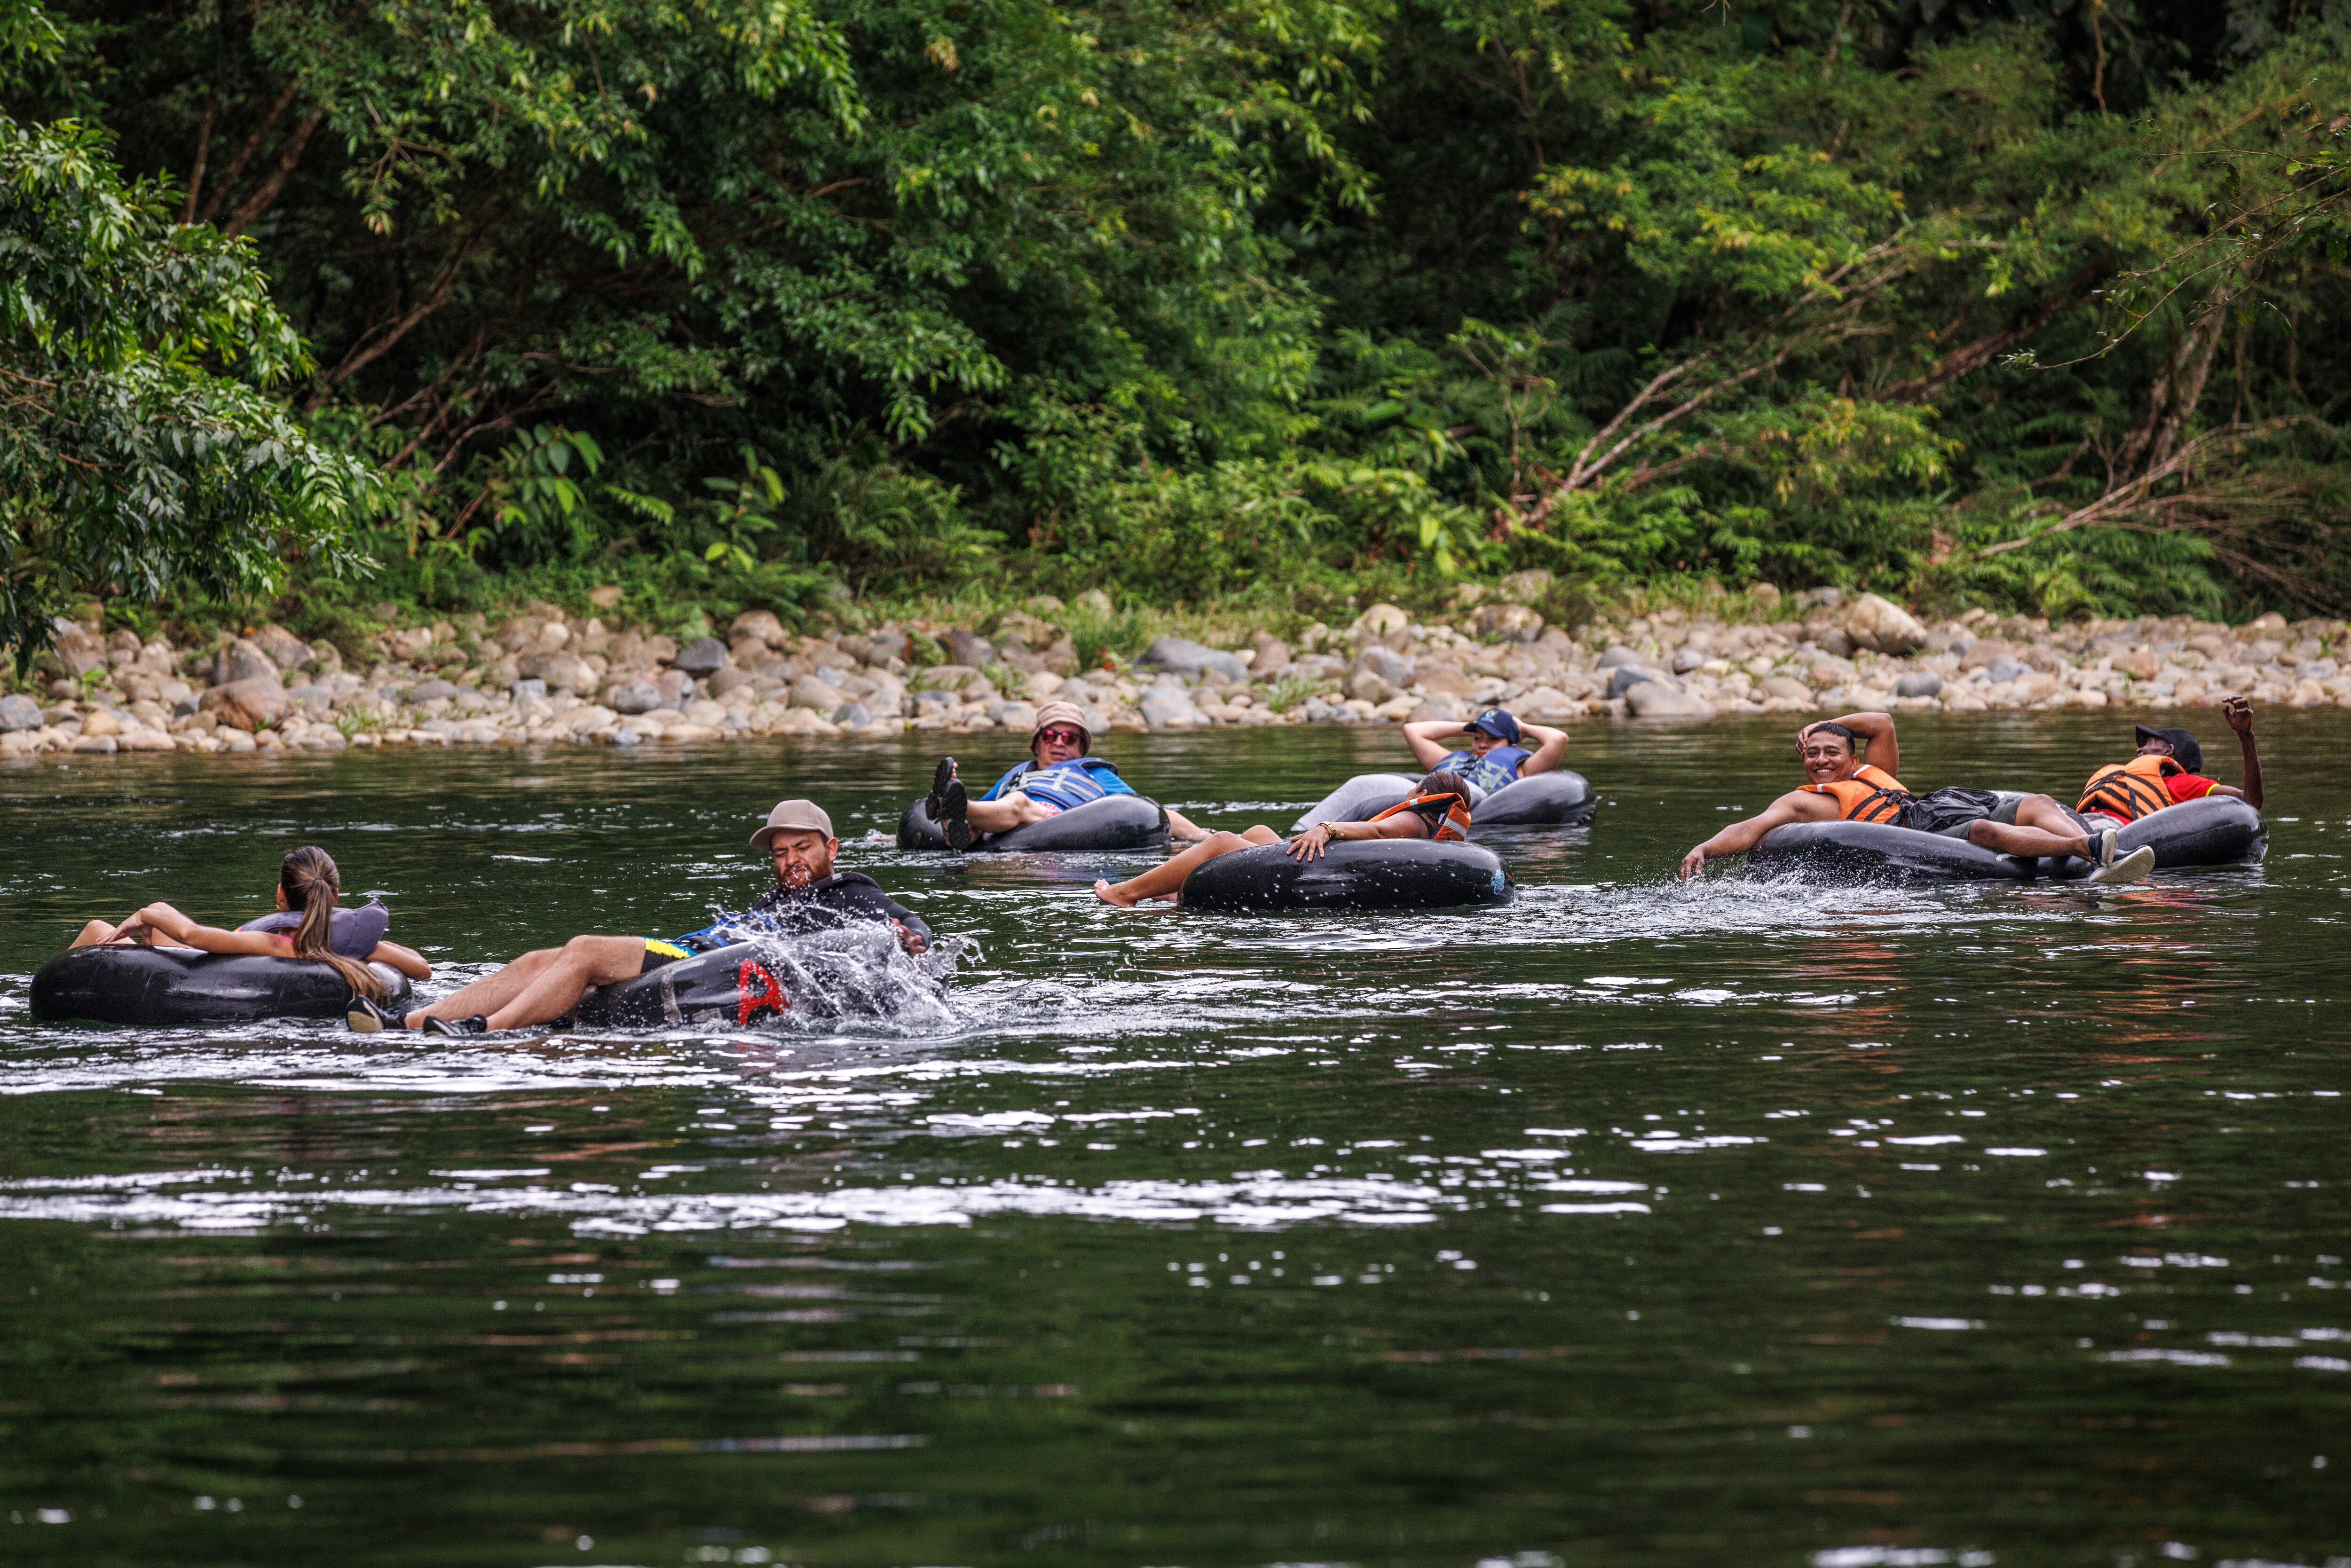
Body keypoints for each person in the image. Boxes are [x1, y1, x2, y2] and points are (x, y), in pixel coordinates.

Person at [348, 800, 931, 1036]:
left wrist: (913, 939)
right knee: (537, 959)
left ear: (831, 848)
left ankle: (483, 1033)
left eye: (801, 848)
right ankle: (410, 1022)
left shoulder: (853, 890)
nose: (790, 862)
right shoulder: (772, 903)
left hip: (709, 966)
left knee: (584, 948)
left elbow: (910, 928)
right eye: (780, 853)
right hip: (698, 952)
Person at [1675, 711, 2156, 884]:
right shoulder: (1808, 802)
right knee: (1985, 833)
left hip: (1938, 804)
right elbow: (1752, 828)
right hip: (1919, 835)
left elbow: (1881, 721)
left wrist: (1817, 723)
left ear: (1849, 756)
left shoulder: (1874, 770)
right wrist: (1704, 848)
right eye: (1812, 753)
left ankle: (2098, 854)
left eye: (1830, 751)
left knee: (2036, 801)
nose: (1820, 760)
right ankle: (2086, 849)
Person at [71, 846, 431, 1000]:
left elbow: (193, 935)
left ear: (280, 895)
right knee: (162, 909)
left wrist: (145, 915)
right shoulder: (351, 946)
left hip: (203, 979)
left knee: (98, 928)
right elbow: (422, 969)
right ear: (333, 900)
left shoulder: (273, 942)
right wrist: (361, 943)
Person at [1094, 771, 1475, 906]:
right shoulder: (1432, 833)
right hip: (1328, 869)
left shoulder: (1410, 822)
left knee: (1223, 841)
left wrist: (1327, 828)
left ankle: (1126, 894)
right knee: (1259, 833)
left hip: (1314, 871)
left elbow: (1378, 830)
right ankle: (1176, 891)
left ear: (1424, 797)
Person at [925, 701, 1207, 849]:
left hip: (1054, 818)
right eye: (1050, 736)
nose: (1059, 743)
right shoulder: (1017, 774)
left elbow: (1153, 811)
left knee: (1018, 803)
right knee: (977, 825)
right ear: (1037, 744)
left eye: (1069, 738)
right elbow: (989, 806)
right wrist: (890, 839)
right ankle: (953, 820)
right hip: (1002, 827)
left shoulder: (1094, 772)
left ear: (1082, 747)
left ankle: (953, 811)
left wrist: (1201, 836)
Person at [2078, 700, 2263, 820]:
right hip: (2080, 826)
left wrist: (2246, 737)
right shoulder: (2128, 779)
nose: (2140, 749)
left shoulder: (2183, 784)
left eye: (2150, 742)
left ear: (2169, 751)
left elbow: (2250, 800)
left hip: (2108, 834)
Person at [1401, 707, 1570, 798]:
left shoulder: (1524, 770)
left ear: (1512, 746)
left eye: (1493, 739)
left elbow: (1558, 739)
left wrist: (1522, 728)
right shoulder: (1452, 761)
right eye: (1478, 738)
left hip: (1482, 819)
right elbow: (1412, 730)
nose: (1482, 745)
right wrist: (1473, 726)